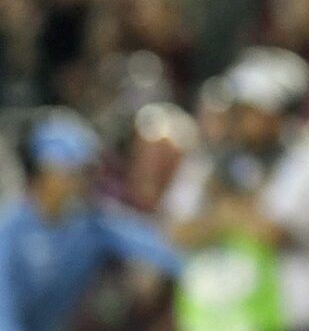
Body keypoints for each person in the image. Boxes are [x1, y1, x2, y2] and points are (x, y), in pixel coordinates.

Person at [166, 50, 309, 330]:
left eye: (250, 109)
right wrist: (230, 213)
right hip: (215, 321)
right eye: (236, 108)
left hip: (297, 321)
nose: (237, 119)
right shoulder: (208, 160)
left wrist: (221, 209)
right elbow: (177, 230)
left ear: (280, 112)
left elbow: (273, 232)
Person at [0, 111, 180, 331]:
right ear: (45, 171)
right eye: (69, 171)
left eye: (83, 171)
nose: (78, 180)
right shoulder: (9, 231)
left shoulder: (92, 225)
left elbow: (161, 249)